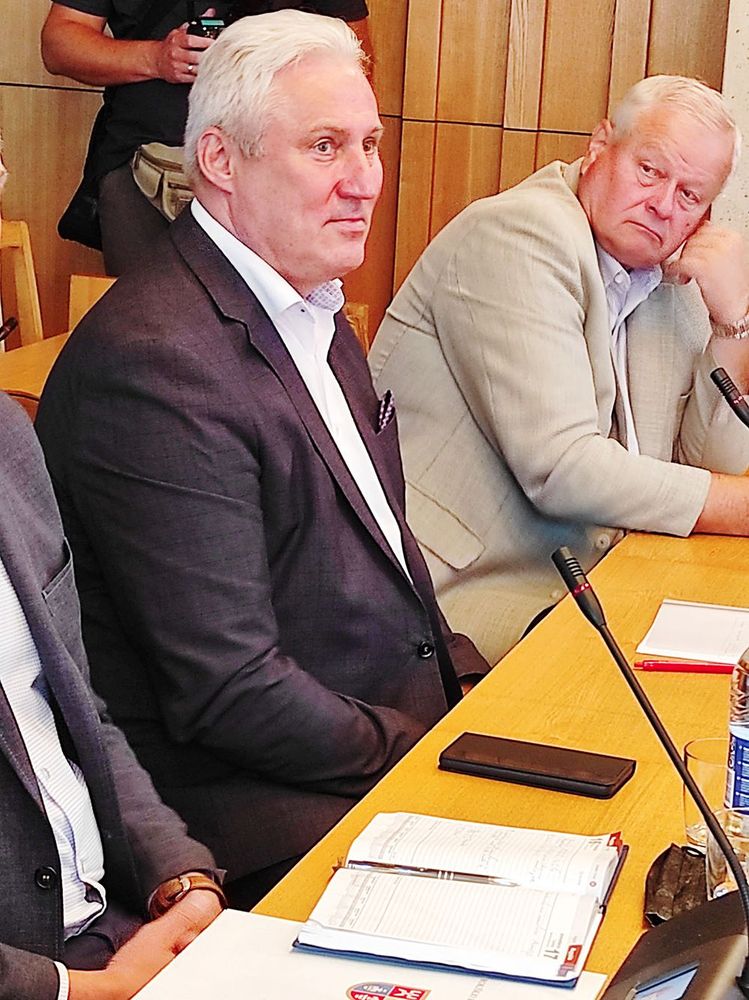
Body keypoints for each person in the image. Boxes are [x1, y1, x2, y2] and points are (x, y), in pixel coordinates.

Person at [36, 10, 488, 909]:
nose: (363, 181)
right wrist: (427, 752)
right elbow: (231, 692)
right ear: (220, 159)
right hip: (251, 821)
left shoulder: (309, 302)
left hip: (364, 743)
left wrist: (476, 695)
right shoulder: (156, 365)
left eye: (369, 143)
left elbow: (390, 565)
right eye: (324, 147)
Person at [369, 75, 749, 666]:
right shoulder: (521, 234)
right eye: (650, 170)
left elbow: (706, 470)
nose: (663, 205)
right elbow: (562, 468)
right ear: (600, 147)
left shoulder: (666, 277)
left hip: (585, 588)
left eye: (690, 196)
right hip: (451, 604)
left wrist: (734, 324)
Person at [0, 146, 224, 1000]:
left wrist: (176, 873)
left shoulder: (8, 439)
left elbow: (71, 709)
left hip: (109, 927)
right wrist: (82, 989)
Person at [40, 0, 371, 275]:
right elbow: (59, 41)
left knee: (279, 318)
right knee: (145, 321)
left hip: (279, 172)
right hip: (142, 169)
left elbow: (355, 58)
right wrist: (155, 59)